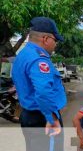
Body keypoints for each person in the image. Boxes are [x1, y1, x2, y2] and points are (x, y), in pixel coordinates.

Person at [12, 17, 66, 151]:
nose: (56, 44)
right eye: (55, 40)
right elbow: (43, 91)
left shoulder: (23, 54)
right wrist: (52, 118)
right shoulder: (38, 59)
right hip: (42, 117)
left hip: (30, 115)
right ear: (46, 39)